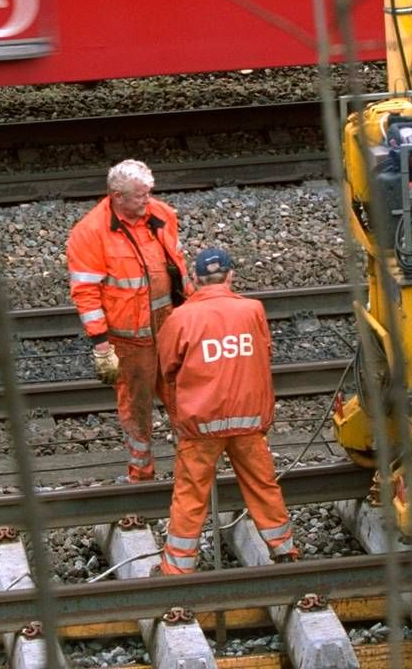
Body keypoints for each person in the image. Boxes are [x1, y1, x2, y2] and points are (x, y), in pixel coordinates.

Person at [156, 247, 298, 573]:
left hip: (201, 424)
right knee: (263, 487)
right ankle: (285, 551)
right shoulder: (253, 310)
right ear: (231, 276)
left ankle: (177, 568)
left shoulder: (180, 318)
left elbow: (167, 370)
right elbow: (265, 353)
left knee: (190, 495)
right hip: (248, 422)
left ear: (194, 280)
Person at [66, 159, 189, 482]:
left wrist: (191, 313)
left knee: (185, 400)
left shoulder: (161, 215)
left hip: (169, 328)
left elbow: (179, 269)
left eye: (149, 193)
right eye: (140, 196)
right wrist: (102, 346)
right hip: (130, 341)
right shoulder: (90, 233)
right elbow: (86, 293)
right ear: (117, 196)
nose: (147, 201)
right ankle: (141, 473)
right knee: (136, 410)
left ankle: (192, 469)